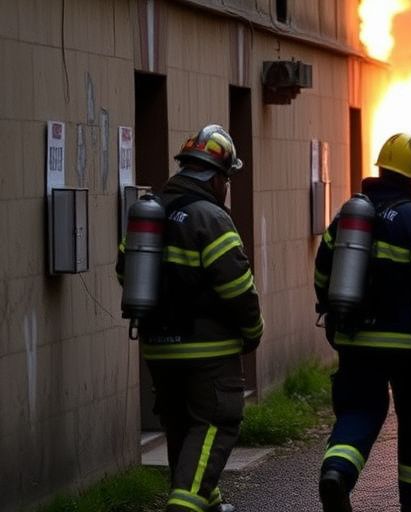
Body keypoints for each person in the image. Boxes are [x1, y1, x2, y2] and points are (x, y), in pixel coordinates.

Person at [116, 124, 264, 512]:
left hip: (159, 349)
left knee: (184, 426)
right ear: (215, 178)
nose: (227, 187)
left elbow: (123, 270)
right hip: (209, 350)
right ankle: (183, 506)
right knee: (217, 421)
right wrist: (253, 330)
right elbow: (237, 287)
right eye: (227, 179)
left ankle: (209, 502)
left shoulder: (151, 211)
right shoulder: (210, 219)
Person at [314, 133, 411, 512]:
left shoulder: (349, 215)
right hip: (410, 345)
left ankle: (337, 472)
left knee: (359, 411)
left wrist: (332, 313)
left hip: (355, 336)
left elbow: (323, 270)